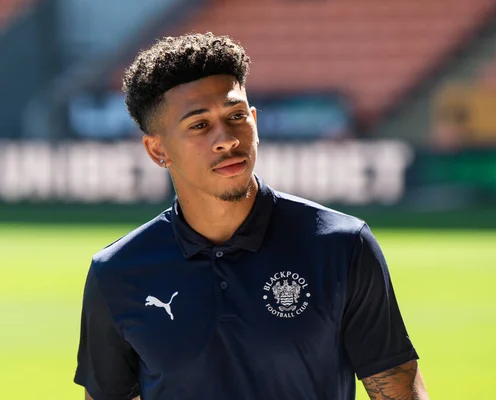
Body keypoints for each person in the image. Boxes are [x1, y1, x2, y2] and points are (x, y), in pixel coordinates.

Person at [73, 32, 429, 400]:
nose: (226, 139)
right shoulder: (117, 273)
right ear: (157, 149)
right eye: (199, 125)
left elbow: (399, 390)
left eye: (236, 116)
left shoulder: (342, 246)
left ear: (254, 120)